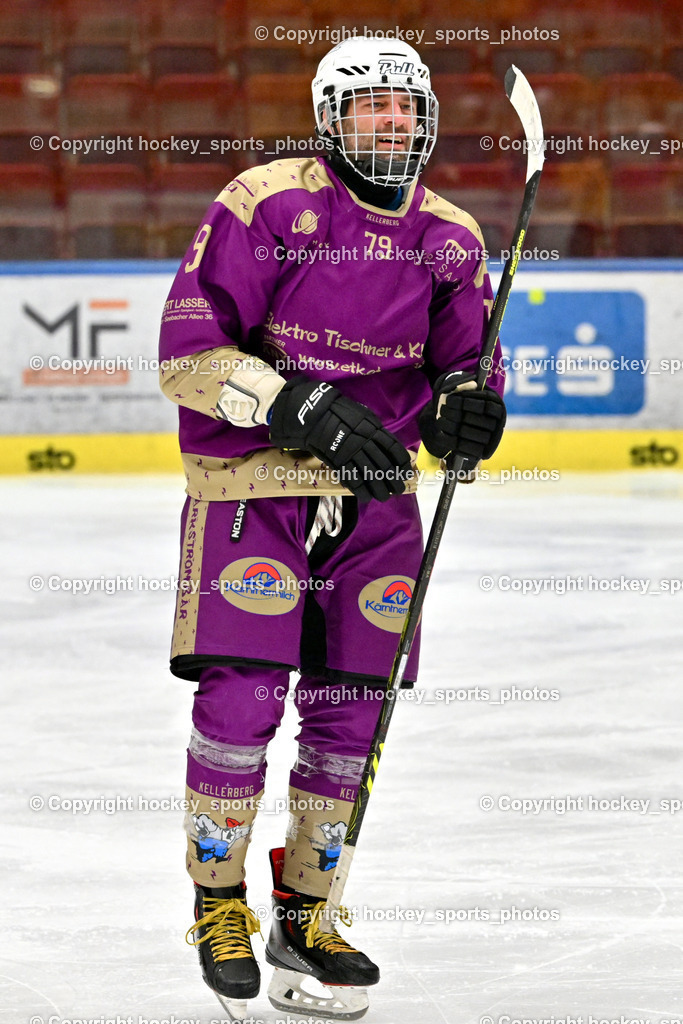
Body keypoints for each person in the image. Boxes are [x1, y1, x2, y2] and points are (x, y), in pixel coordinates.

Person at [158, 35, 506, 1022]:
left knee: (352, 715)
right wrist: (296, 405)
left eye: (405, 105)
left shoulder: (449, 239)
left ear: (425, 119)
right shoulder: (266, 203)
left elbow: (463, 374)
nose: (390, 121)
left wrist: (466, 418)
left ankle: (307, 908)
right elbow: (187, 350)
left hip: (377, 511)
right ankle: (217, 898)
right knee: (242, 701)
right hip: (252, 488)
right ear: (330, 119)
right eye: (369, 106)